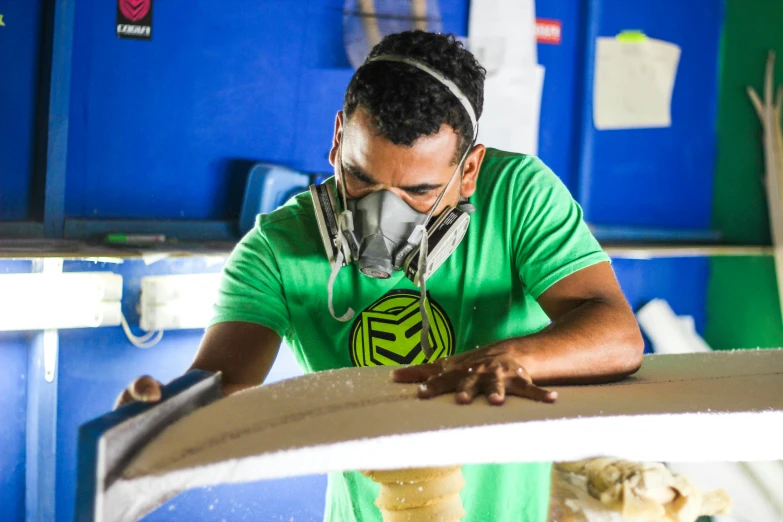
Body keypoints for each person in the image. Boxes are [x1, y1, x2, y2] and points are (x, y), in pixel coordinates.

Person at [118, 30, 644, 522]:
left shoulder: (518, 197)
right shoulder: (278, 249)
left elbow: (618, 335)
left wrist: (515, 356)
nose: (382, 217)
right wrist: (162, 418)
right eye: (360, 179)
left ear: (469, 171)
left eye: (418, 191)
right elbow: (223, 388)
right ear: (338, 137)